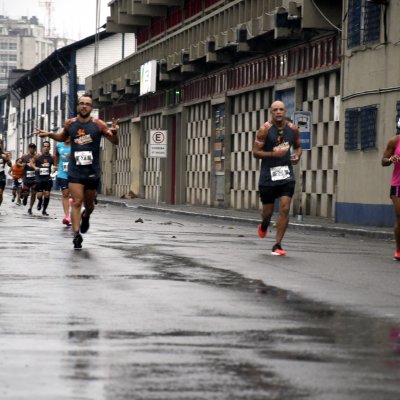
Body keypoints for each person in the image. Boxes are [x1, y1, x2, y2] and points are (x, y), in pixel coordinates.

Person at [35, 94, 119, 249]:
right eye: (81, 103)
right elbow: (61, 137)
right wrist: (49, 134)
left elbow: (114, 141)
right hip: (75, 171)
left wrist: (115, 133)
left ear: (91, 108)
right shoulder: (70, 123)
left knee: (89, 206)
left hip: (92, 171)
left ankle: (86, 217)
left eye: (87, 104)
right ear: (77, 106)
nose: (84, 106)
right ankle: (76, 234)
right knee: (77, 202)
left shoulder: (98, 124)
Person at [252, 100, 302, 256]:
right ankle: (265, 224)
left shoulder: (293, 129)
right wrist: (273, 154)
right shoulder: (264, 130)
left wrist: (297, 156)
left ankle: (277, 244)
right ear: (271, 112)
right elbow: (255, 152)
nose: (278, 112)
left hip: (286, 175)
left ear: (285, 111)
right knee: (267, 212)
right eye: (275, 110)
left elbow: (299, 146)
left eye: (281, 109)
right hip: (268, 176)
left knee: (285, 208)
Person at [381, 134, 400, 260]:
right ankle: (399, 250)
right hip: (398, 184)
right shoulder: (395, 141)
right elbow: (383, 161)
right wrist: (390, 160)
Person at [30, 140, 55, 216]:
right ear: (42, 147)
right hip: (39, 178)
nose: (46, 148)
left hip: (47, 178)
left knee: (47, 194)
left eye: (47, 146)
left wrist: (54, 171)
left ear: (50, 147)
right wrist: (35, 167)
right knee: (39, 195)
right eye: (45, 146)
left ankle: (44, 210)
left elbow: (56, 165)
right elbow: (31, 163)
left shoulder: (52, 157)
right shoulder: (38, 156)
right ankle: (40, 201)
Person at [54, 137, 72, 226]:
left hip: (74, 173)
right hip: (62, 173)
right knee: (65, 193)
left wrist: (73, 156)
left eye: (68, 136)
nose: (67, 138)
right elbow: (56, 155)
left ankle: (72, 204)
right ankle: (67, 216)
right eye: (65, 135)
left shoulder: (76, 145)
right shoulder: (59, 145)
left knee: (76, 195)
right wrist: (55, 166)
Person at [18, 142, 37, 214]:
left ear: (35, 149)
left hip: (35, 178)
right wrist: (23, 164)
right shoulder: (24, 156)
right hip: (26, 178)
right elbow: (18, 163)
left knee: (33, 193)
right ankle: (25, 198)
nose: (32, 149)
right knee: (26, 193)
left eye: (33, 148)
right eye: (30, 147)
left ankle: (30, 208)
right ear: (29, 148)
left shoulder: (37, 156)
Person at [0, 138, 12, 207]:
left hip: (1, 175)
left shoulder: (4, 155)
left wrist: (8, 159)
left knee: (0, 193)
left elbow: (10, 165)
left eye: (0, 143)